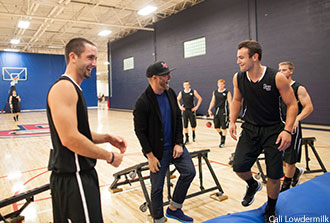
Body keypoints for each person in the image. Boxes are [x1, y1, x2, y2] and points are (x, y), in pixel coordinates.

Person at [46, 38, 127, 223]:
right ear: (73, 57)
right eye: (90, 57)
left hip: (77, 178)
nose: (94, 63)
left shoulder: (73, 88)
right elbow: (70, 139)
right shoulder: (65, 87)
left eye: (96, 58)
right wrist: (110, 156)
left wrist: (107, 137)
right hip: (74, 179)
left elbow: (79, 133)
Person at [229, 40, 298, 223]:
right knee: (239, 166)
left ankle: (271, 208)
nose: (238, 61)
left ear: (255, 57)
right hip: (250, 128)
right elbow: (237, 100)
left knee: (274, 175)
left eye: (241, 58)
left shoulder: (276, 77)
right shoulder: (238, 78)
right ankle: (253, 185)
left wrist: (287, 131)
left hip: (274, 130)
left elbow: (292, 105)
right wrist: (232, 121)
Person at [133, 61, 196, 223]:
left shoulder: (170, 93)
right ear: (155, 78)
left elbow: (177, 118)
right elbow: (140, 131)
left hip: (175, 147)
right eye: (165, 75)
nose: (170, 77)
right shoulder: (143, 102)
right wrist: (150, 156)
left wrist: (178, 143)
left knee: (189, 172)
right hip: (157, 152)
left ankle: (174, 208)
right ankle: (158, 219)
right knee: (157, 188)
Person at [278, 61, 313, 192]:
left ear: (291, 71)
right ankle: (296, 172)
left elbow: (309, 107)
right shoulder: (278, 88)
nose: (281, 72)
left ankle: (285, 186)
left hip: (292, 127)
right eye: (279, 70)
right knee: (281, 157)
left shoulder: (298, 88)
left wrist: (297, 118)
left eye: (284, 70)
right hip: (279, 126)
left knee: (290, 158)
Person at [208, 79, 232, 148]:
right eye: (219, 84)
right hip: (217, 111)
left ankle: (222, 142)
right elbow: (212, 101)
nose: (220, 85)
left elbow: (230, 103)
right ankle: (222, 135)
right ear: (217, 84)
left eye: (222, 84)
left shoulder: (227, 92)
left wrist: (231, 113)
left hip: (223, 111)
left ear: (224, 85)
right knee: (216, 127)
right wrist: (209, 109)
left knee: (224, 127)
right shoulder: (215, 92)